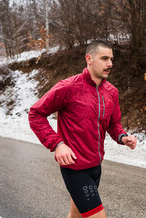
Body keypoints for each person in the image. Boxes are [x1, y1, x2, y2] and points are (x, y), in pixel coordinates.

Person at [29, 40, 137, 218]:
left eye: (111, 59)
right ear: (89, 59)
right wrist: (57, 144)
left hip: (96, 166)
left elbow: (113, 123)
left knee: (76, 216)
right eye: (104, 58)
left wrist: (122, 137)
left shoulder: (111, 92)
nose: (110, 63)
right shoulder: (68, 87)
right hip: (75, 167)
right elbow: (35, 114)